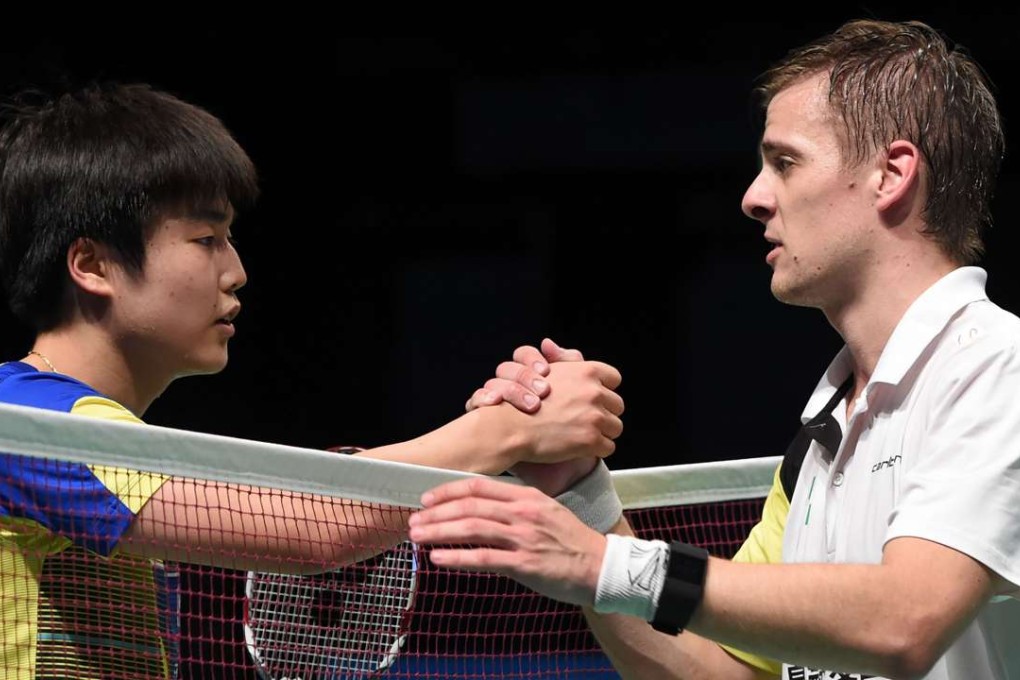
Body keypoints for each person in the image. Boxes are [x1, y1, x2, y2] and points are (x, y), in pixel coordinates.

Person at [407, 19, 1020, 680]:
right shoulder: (822, 440)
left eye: (785, 162)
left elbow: (906, 618)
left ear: (891, 175)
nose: (753, 198)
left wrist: (605, 563)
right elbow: (729, 674)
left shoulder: (995, 368)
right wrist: (579, 498)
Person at [0, 82, 624, 678]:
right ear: (92, 264)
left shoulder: (77, 436)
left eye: (229, 239)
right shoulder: (25, 425)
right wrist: (510, 428)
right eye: (205, 238)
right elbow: (310, 527)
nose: (236, 271)